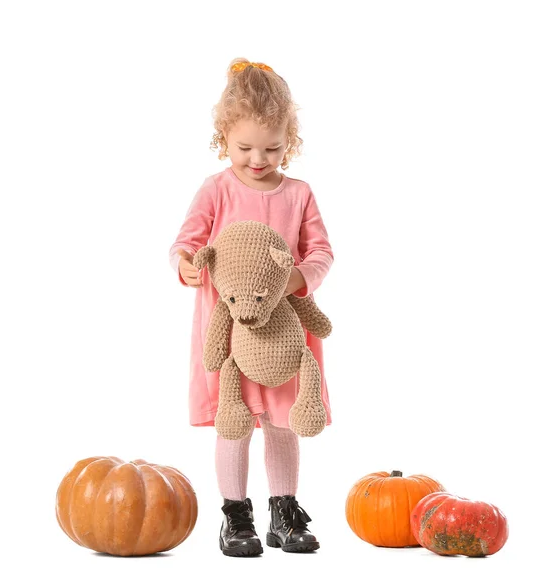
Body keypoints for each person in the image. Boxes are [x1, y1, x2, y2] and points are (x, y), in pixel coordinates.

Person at [168, 58, 334, 557]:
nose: (258, 159)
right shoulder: (216, 189)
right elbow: (187, 241)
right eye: (244, 148)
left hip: (282, 331)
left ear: (291, 140)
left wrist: (297, 279)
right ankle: (235, 516)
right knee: (234, 418)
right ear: (224, 138)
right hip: (233, 330)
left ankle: (284, 511)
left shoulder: (299, 195)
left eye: (273, 148)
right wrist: (186, 266)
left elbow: (321, 252)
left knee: (283, 422)